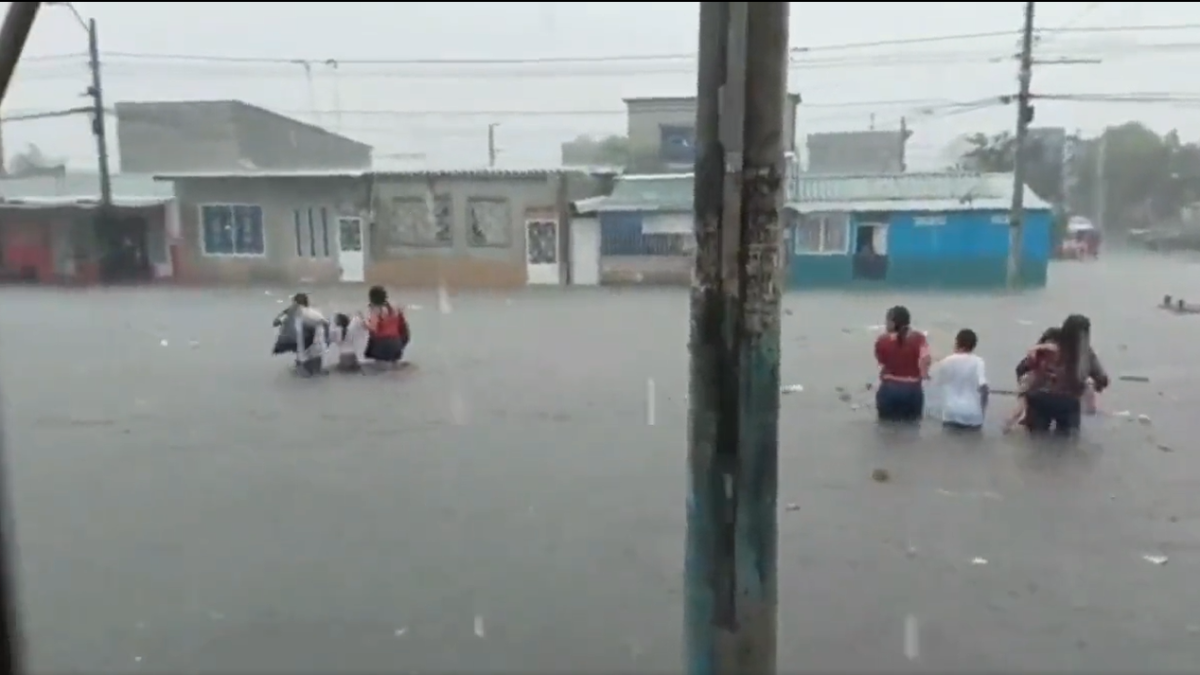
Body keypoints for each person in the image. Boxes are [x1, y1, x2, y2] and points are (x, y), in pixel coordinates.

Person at [1016, 314, 1109, 436]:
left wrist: (1024, 393)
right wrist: (1095, 386)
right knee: (1068, 440)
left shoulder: (1048, 346)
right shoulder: (1085, 353)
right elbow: (1102, 379)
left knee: (1036, 437)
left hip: (1041, 399)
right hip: (1065, 403)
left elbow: (1021, 368)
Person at [874, 305, 931, 423]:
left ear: (893, 322)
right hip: (912, 390)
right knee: (912, 427)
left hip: (889, 389)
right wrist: (924, 374)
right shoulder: (919, 338)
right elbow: (926, 360)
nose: (885, 324)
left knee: (886, 427)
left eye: (887, 320)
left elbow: (881, 361)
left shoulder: (882, 340)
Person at [930, 328, 988, 431]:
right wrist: (982, 410)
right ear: (974, 345)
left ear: (957, 342)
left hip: (951, 412)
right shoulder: (979, 362)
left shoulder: (947, 361)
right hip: (973, 413)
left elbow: (935, 382)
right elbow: (984, 387)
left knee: (949, 440)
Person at [272, 292, 330, 376]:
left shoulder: (305, 314)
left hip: (307, 352)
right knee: (315, 376)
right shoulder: (310, 313)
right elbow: (326, 324)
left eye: (293, 303)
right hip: (315, 350)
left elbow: (276, 322)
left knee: (303, 376)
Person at [363, 285, 410, 366]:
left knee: (378, 366)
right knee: (393, 365)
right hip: (396, 343)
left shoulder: (376, 309)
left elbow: (373, 328)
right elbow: (403, 327)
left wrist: (362, 323)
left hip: (382, 344)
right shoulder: (394, 307)